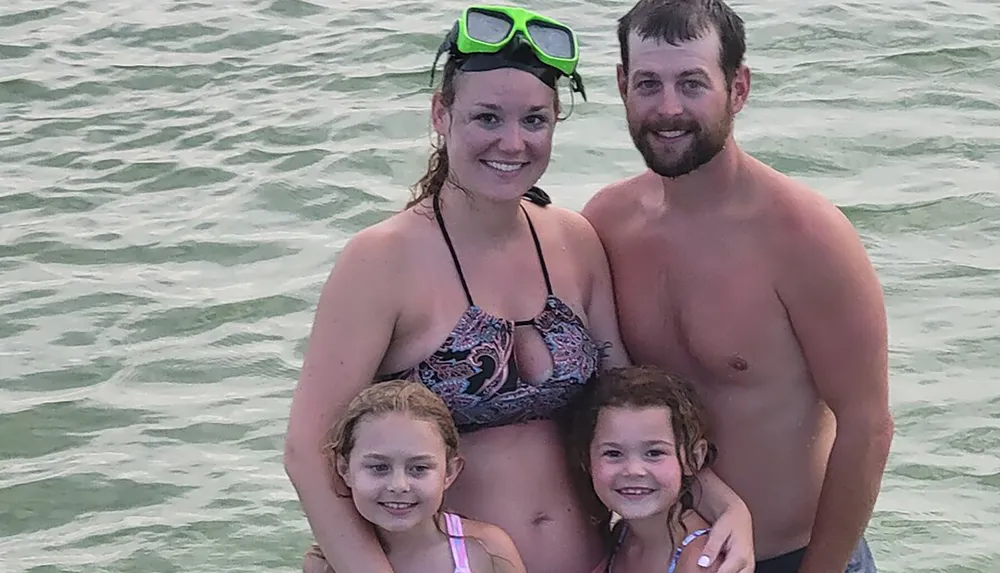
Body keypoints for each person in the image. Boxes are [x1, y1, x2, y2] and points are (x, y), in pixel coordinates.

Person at [284, 5, 753, 573]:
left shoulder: (573, 241)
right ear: (441, 113)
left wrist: (725, 505)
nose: (512, 143)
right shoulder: (382, 259)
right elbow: (311, 453)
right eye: (487, 118)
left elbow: (629, 403)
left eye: (534, 120)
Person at [581, 1, 894, 573]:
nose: (668, 108)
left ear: (739, 87)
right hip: (659, 556)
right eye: (648, 83)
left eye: (692, 83)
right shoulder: (607, 222)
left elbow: (867, 423)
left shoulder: (804, 235)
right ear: (623, 85)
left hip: (797, 556)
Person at [304, 380, 526, 573]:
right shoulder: (326, 565)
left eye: (418, 468)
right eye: (379, 467)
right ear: (344, 470)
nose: (399, 485)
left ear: (449, 472)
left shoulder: (486, 549)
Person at [570, 365, 722, 573]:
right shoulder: (622, 536)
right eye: (613, 454)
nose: (633, 470)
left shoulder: (702, 563)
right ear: (587, 459)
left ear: (694, 458)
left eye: (654, 453)